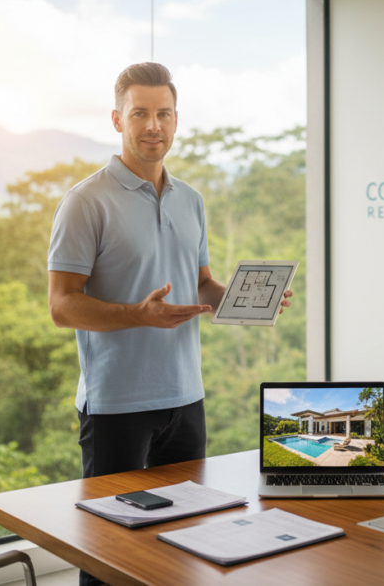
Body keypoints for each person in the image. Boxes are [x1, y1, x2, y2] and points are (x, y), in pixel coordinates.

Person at [46, 62, 290, 586]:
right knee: (111, 555)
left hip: (185, 401)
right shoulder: (84, 202)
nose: (153, 125)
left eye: (163, 114)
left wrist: (251, 301)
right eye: (140, 114)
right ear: (118, 120)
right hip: (117, 409)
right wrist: (138, 315)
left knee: (184, 543)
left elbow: (201, 287)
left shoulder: (192, 201)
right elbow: (62, 305)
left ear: (176, 121)